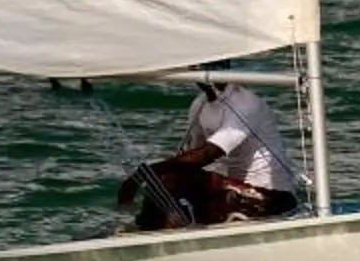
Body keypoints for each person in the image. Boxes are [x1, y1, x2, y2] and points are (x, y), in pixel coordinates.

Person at [116, 77, 306, 230]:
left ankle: (163, 229)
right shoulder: (199, 105)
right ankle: (145, 229)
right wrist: (155, 178)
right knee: (168, 179)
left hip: (272, 197)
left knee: (166, 175)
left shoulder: (246, 104)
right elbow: (189, 159)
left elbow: (209, 153)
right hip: (233, 188)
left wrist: (143, 174)